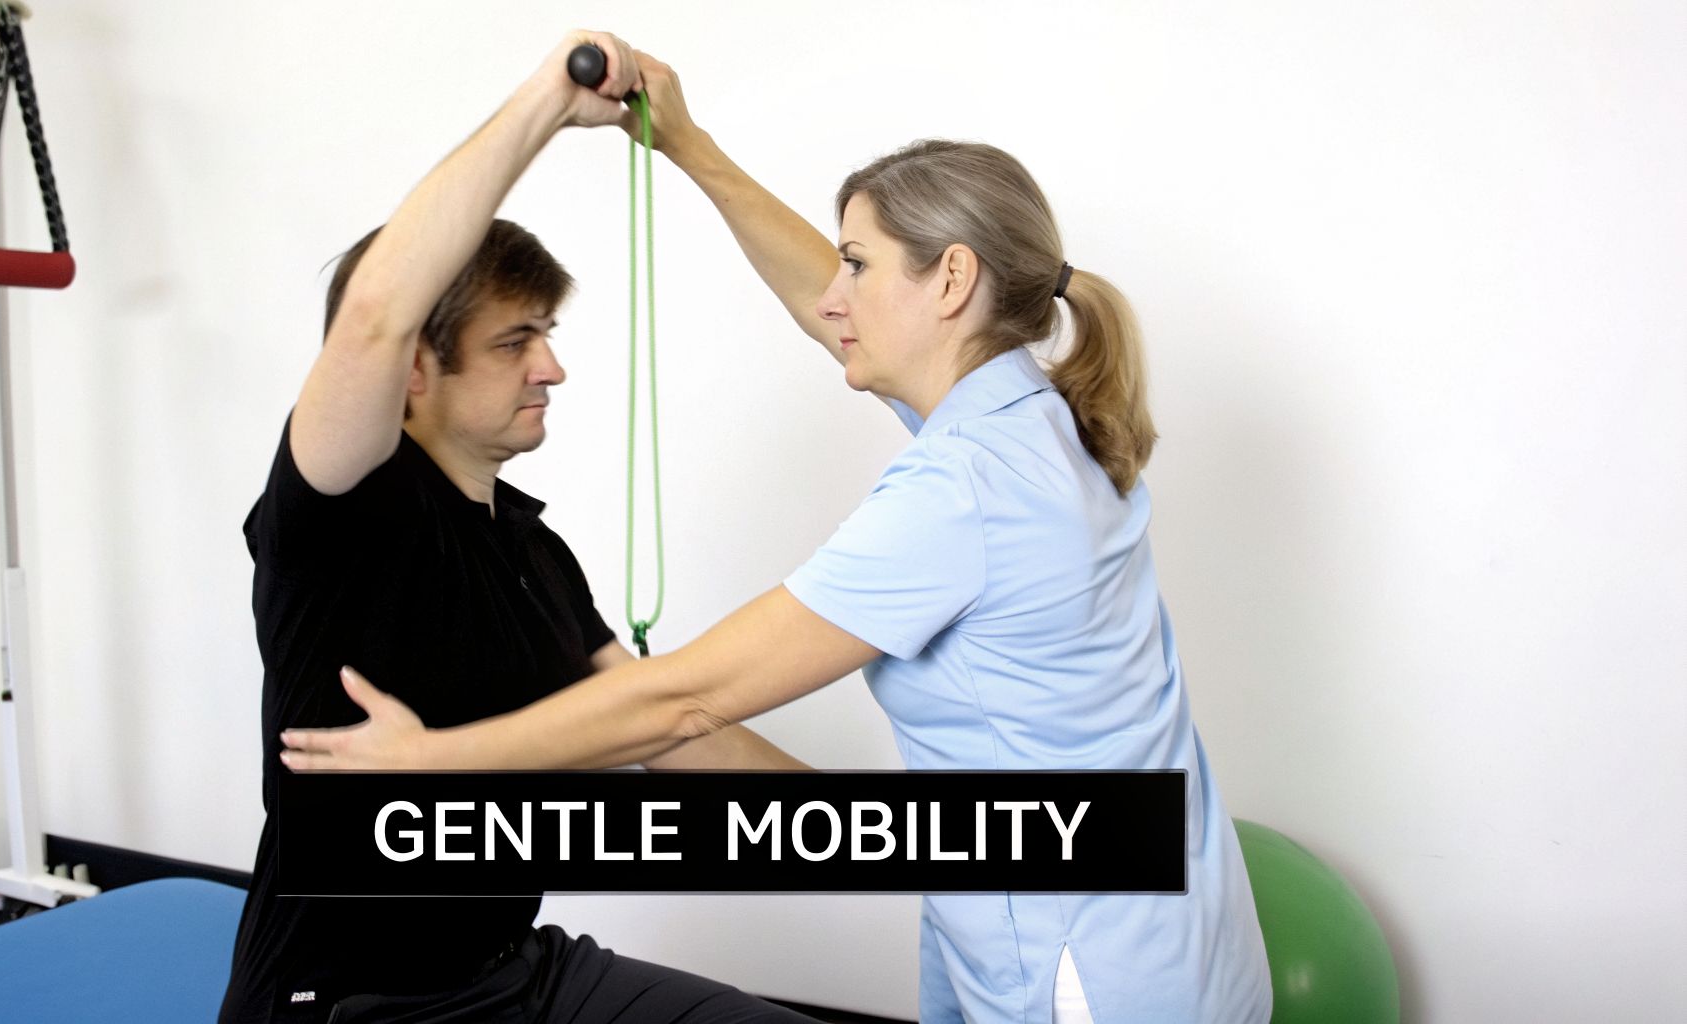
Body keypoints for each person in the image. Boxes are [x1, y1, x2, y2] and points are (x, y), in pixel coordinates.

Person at [281, 49, 1275, 1024]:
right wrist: (687, 146)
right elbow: (372, 320)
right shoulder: (1027, 421)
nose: (832, 297)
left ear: (949, 282)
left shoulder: (958, 487)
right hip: (1174, 926)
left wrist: (437, 764)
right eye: (514, 340)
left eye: (856, 262)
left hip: (1087, 960)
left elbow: (682, 703)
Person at [220, 31, 819, 1024]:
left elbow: (668, 724)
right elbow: (372, 313)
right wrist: (549, 98)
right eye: (514, 341)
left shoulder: (530, 549)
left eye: (546, 335)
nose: (551, 368)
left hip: (518, 972)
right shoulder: (341, 515)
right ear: (417, 369)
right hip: (356, 1003)